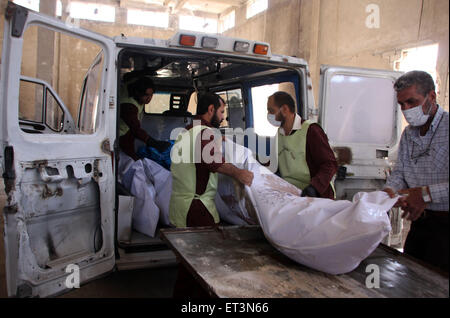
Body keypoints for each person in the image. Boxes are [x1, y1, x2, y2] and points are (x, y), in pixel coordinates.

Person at [383, 70, 448, 272]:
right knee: (411, 275)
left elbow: (421, 194)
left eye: (412, 102)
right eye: (402, 104)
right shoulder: (409, 134)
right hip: (420, 222)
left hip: (446, 227)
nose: (407, 109)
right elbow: (400, 172)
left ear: (432, 96)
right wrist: (389, 192)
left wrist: (424, 194)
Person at [169, 92, 254, 228]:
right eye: (221, 112)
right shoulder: (203, 133)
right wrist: (239, 173)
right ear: (210, 110)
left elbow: (199, 157)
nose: (223, 117)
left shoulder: (187, 131)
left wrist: (218, 141)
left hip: (180, 206)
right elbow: (214, 162)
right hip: (196, 208)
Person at [266, 91, 337, 199]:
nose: (269, 115)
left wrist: (314, 188)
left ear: (285, 109)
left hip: (315, 196)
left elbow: (330, 164)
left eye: (271, 111)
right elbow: (276, 163)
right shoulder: (279, 134)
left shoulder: (311, 131)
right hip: (292, 194)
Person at [119, 76, 170, 160]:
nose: (149, 99)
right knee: (130, 159)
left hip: (128, 131)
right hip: (121, 135)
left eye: (151, 95)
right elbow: (136, 129)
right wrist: (154, 143)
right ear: (137, 92)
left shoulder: (133, 85)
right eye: (146, 95)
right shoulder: (128, 106)